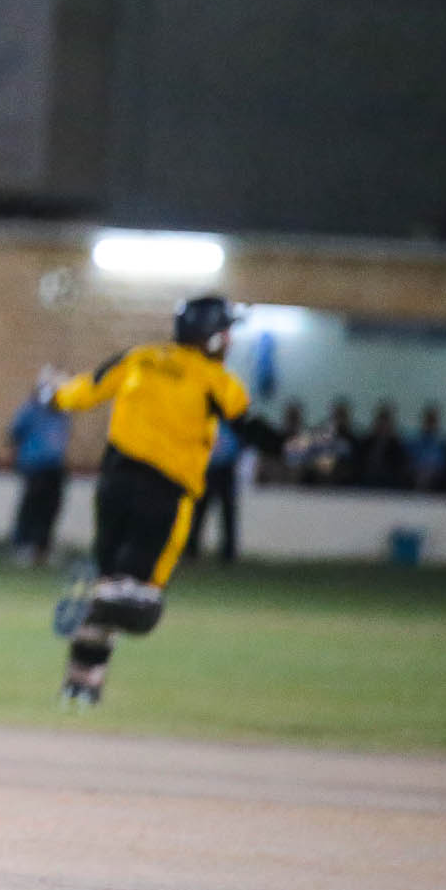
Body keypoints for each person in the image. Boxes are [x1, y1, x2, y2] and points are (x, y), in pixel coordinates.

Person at [41, 294, 286, 707]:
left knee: (110, 587)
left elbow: (82, 391)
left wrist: (52, 394)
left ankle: (81, 683)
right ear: (212, 338)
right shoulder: (215, 379)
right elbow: (252, 428)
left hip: (114, 487)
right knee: (142, 605)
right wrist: (298, 445)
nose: (229, 340)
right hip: (165, 495)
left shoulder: (139, 358)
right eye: (226, 332)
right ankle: (96, 632)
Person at [6, 371, 70, 567]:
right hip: (34, 465)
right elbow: (14, 433)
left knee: (50, 508)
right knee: (31, 506)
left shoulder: (63, 412)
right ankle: (23, 545)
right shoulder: (31, 410)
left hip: (55, 466)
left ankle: (42, 547)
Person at [184, 419, 240, 563]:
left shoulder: (234, 422)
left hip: (226, 470)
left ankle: (228, 552)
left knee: (227, 512)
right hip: (207, 470)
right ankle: (192, 548)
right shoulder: (207, 419)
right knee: (200, 511)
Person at [407, 403, 446, 493]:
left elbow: (442, 465)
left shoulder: (441, 445)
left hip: (435, 478)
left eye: (432, 422)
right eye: (428, 422)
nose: (430, 425)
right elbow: (410, 461)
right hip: (416, 475)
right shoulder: (415, 443)